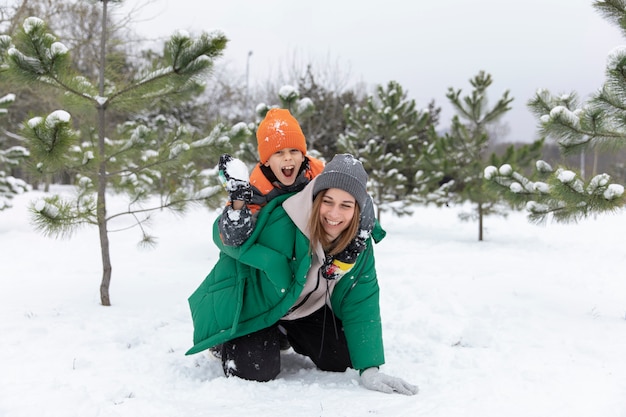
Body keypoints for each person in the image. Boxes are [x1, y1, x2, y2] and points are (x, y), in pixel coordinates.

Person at [187, 154, 418, 395]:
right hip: (258, 305)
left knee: (343, 359)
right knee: (254, 371)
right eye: (328, 201)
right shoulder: (287, 221)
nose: (334, 214)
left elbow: (361, 300)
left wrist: (370, 368)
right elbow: (229, 239)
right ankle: (225, 340)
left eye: (346, 205)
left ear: (358, 210)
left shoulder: (358, 246)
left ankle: (283, 332)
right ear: (317, 198)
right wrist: (269, 260)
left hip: (302, 310)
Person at [218, 107, 324, 247]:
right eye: (279, 152)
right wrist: (238, 200)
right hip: (277, 247)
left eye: (294, 151)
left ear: (302, 155)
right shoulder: (256, 186)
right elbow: (233, 239)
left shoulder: (319, 173)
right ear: (266, 160)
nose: (288, 158)